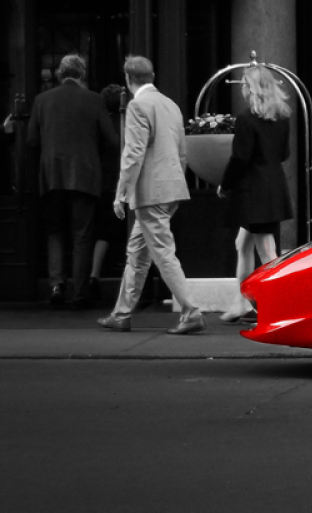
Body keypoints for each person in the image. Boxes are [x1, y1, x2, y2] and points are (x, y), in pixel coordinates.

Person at [97, 55, 205, 335]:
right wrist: (176, 186)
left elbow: (133, 153)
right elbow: (182, 153)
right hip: (169, 189)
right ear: (153, 76)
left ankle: (191, 311)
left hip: (149, 192)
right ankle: (121, 313)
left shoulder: (138, 106)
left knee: (161, 253)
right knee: (138, 253)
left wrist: (120, 193)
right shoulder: (170, 105)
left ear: (127, 78)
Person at [26, 54, 117, 309]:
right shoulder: (94, 100)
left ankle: (56, 286)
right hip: (84, 175)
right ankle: (79, 292)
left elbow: (31, 139)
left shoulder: (42, 100)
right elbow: (111, 140)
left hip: (51, 174)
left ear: (59, 74)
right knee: (81, 235)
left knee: (55, 231)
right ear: (82, 74)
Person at [216, 64, 294, 323]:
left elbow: (240, 158)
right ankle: (243, 302)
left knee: (267, 251)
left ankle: (277, 306)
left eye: (245, 85)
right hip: (273, 186)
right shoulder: (282, 118)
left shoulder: (246, 119)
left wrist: (225, 184)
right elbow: (284, 154)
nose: (243, 90)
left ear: (253, 89)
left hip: (253, 191)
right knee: (244, 244)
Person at [87, 83, 128, 305]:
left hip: (104, 183)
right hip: (123, 183)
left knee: (102, 233)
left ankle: (94, 275)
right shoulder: (126, 123)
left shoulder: (100, 125)